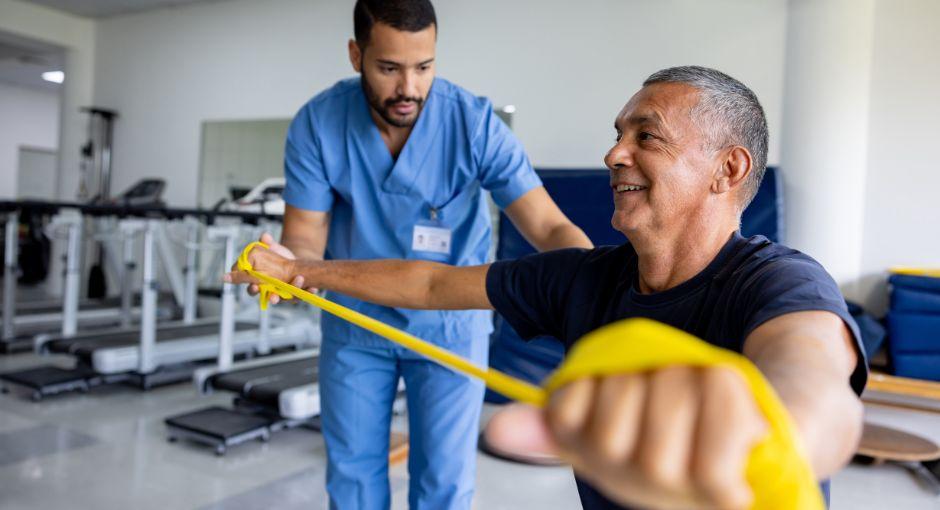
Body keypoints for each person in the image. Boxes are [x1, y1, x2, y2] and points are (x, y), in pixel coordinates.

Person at [229, 65, 867, 509]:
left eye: (645, 136)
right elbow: (428, 282)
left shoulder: (779, 279)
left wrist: (766, 426)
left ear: (727, 169)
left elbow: (813, 382)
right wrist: (300, 270)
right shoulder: (583, 278)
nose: (614, 154)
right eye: (617, 135)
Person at [255, 0, 592, 508]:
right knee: (351, 475)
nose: (409, 88)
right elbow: (304, 239)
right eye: (389, 68)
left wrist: (593, 284)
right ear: (356, 55)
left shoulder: (473, 124)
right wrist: (288, 267)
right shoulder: (318, 124)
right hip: (356, 324)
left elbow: (548, 226)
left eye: (424, 67)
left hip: (450, 326)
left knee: (443, 481)